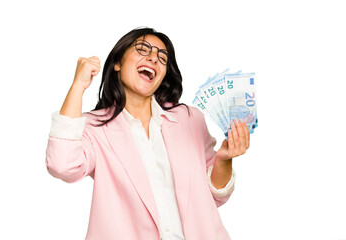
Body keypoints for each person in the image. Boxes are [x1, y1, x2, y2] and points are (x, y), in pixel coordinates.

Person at [46, 27, 250, 240]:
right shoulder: (94, 126)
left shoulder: (189, 119)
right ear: (117, 63)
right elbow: (62, 165)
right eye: (143, 49)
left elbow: (214, 196)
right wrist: (78, 86)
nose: (154, 58)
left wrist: (224, 159)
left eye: (162, 58)